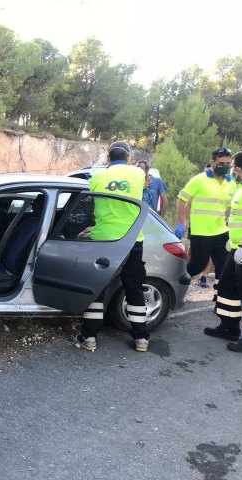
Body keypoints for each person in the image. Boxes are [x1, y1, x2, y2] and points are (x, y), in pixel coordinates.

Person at [72, 141, 150, 352]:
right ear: (128, 158)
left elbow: (90, 202)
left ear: (107, 157)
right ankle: (141, 338)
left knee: (97, 288)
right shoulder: (138, 174)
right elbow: (145, 185)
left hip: (103, 239)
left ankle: (89, 337)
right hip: (133, 239)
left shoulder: (97, 177)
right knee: (134, 288)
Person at [206, 150, 242, 352]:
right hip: (235, 247)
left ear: (238, 169)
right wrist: (232, 241)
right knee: (227, 288)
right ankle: (229, 327)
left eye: (233, 166)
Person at [174, 147, 236, 299]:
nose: (225, 166)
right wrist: (180, 222)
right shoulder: (199, 180)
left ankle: (219, 297)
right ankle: (174, 288)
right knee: (197, 266)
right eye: (221, 163)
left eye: (228, 163)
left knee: (223, 267)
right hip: (201, 233)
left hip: (222, 232)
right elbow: (182, 199)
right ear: (212, 163)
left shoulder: (231, 183)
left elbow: (231, 206)